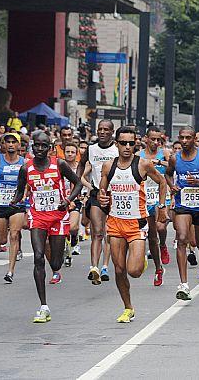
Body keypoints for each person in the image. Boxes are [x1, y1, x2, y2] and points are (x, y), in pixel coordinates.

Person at [98, 126, 168, 322]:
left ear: (136, 144)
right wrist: (102, 198)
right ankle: (128, 307)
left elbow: (162, 182)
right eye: (123, 143)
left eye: (131, 143)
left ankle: (142, 261)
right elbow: (102, 192)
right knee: (119, 270)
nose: (127, 147)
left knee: (134, 271)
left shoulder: (143, 165)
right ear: (116, 144)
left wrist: (162, 206)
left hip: (136, 223)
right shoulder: (108, 166)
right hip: (115, 222)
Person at [11, 132, 82, 323]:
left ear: (49, 148)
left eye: (44, 146)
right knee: (38, 256)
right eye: (37, 146)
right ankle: (43, 306)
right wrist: (14, 201)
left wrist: (67, 200)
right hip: (38, 217)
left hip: (58, 217)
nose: (40, 149)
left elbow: (78, 184)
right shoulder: (26, 168)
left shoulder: (59, 164)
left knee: (56, 263)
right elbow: (20, 191)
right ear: (32, 147)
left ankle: (62, 252)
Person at [165, 127, 199, 300]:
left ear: (194, 139)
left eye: (188, 137)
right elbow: (167, 174)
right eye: (182, 137)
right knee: (182, 238)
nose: (185, 141)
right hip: (183, 205)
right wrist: (172, 185)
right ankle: (184, 284)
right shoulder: (175, 158)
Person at [76, 120, 118, 285]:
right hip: (95, 193)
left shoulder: (117, 150)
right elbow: (80, 166)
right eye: (100, 129)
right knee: (97, 232)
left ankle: (106, 266)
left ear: (111, 132)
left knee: (111, 234)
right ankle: (94, 267)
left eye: (106, 129)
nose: (102, 132)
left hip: (115, 194)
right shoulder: (91, 149)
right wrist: (78, 185)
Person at [0, 132, 26, 282]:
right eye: (7, 142)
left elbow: (28, 180)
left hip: (17, 204)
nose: (10, 144)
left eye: (13, 142)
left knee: (14, 234)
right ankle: (16, 243)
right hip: (0, 203)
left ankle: (10, 271)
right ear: (3, 144)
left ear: (18, 145)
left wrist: (25, 194)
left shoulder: (24, 162)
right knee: (3, 240)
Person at [139, 126, 172, 287]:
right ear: (146, 138)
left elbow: (173, 166)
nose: (156, 142)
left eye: (159, 139)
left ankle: (164, 244)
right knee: (151, 236)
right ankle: (159, 269)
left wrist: (158, 162)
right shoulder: (138, 155)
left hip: (161, 194)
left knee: (160, 228)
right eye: (153, 139)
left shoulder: (164, 153)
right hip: (145, 197)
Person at [63, 143, 82, 266]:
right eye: (67, 152)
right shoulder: (59, 166)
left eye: (72, 152)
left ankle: (75, 237)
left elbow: (84, 182)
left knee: (72, 228)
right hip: (61, 201)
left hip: (75, 201)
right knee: (63, 230)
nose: (70, 154)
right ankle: (66, 252)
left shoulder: (80, 168)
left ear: (76, 154)